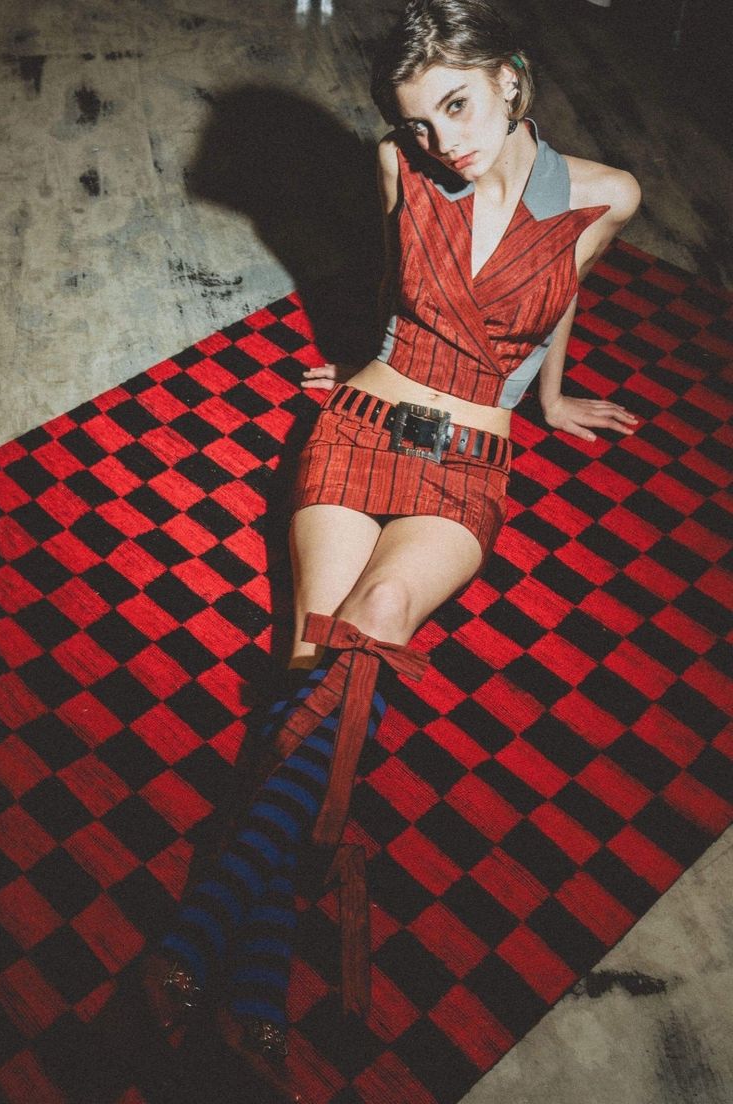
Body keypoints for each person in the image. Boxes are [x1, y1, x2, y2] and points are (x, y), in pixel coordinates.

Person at [141, 1, 641, 1100]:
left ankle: (199, 939)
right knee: (310, 664)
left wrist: (551, 404)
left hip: (468, 466)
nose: (440, 141)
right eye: (419, 123)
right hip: (359, 427)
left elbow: (556, 303)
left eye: (457, 105)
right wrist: (351, 364)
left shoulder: (605, 195)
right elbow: (395, 291)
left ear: (512, 80)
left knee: (366, 641)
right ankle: (256, 991)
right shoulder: (394, 166)